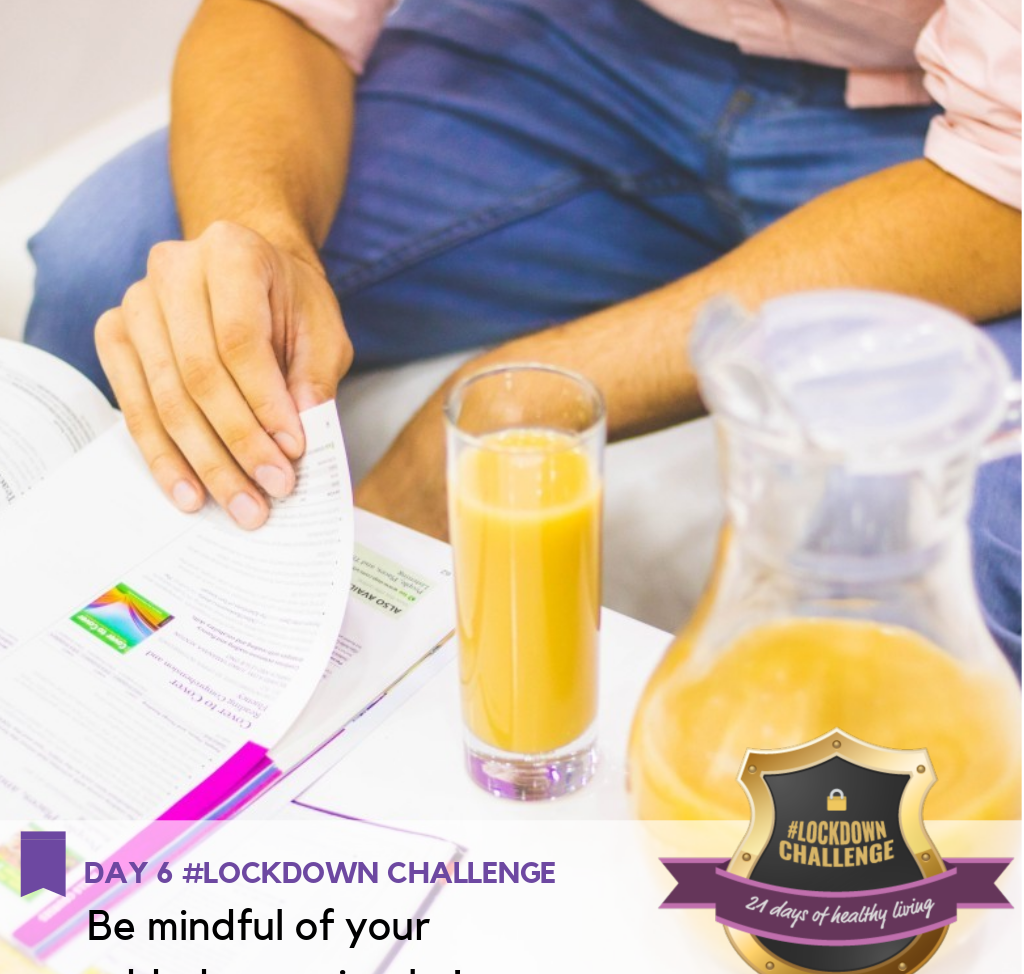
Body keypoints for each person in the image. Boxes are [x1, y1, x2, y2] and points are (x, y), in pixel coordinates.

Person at [24, 0, 1021, 670]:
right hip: (578, 41)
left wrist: (517, 397)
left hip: (947, 132)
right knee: (116, 265)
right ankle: (107, 707)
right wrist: (260, 238)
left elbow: (1003, 171)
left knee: (973, 531)